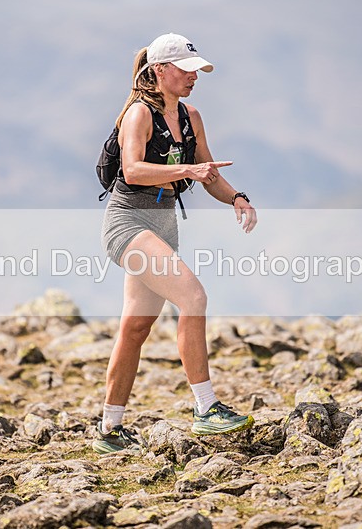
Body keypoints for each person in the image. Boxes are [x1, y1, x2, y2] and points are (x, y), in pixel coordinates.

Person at [95, 33, 258, 454]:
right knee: (193, 297)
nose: (193, 77)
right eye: (186, 70)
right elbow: (132, 170)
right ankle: (206, 408)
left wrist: (237, 197)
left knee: (135, 327)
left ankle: (109, 432)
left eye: (197, 70)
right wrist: (190, 168)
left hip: (163, 225)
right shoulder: (138, 114)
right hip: (129, 223)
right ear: (160, 71)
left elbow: (209, 174)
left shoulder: (191, 117)